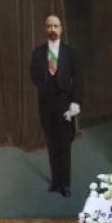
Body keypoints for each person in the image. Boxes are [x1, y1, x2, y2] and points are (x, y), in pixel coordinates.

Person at [30, 14, 82, 198]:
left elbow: (78, 80)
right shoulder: (37, 53)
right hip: (46, 103)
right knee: (51, 143)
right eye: (49, 26)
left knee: (64, 144)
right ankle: (55, 181)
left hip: (64, 103)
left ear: (61, 29)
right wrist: (46, 87)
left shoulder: (70, 53)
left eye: (56, 26)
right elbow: (34, 76)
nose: (52, 29)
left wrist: (75, 102)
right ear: (45, 29)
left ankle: (65, 183)